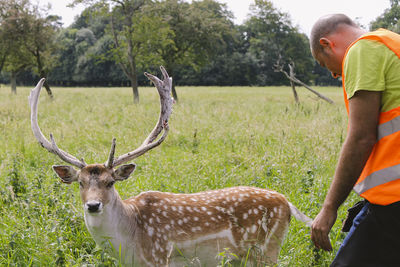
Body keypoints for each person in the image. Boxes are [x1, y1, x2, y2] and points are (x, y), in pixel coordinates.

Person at [309, 14, 400, 266]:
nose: (335, 75)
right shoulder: (393, 43)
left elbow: (361, 137)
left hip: (393, 202)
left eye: (323, 62)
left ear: (327, 44)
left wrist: (329, 208)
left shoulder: (363, 49)